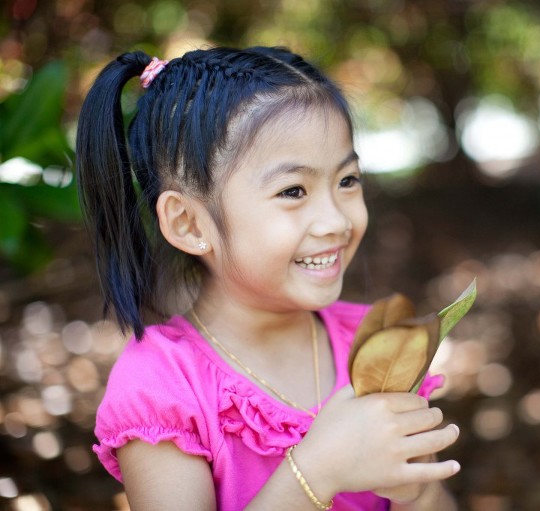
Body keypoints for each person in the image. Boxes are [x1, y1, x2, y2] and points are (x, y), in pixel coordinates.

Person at [76, 46, 460, 511]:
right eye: (293, 191)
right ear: (189, 224)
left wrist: (417, 494)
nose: (336, 221)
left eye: (347, 181)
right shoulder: (163, 387)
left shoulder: (376, 343)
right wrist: (317, 471)